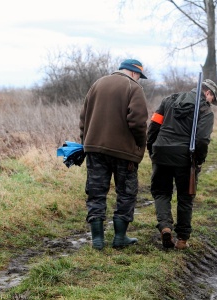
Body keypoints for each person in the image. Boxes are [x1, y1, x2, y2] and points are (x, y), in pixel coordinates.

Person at [79, 59, 148, 250]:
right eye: (139, 76)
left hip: (94, 149)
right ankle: (119, 237)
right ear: (135, 73)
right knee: (126, 193)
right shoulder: (134, 88)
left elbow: (83, 118)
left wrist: (86, 142)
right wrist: (140, 144)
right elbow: (138, 122)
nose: (139, 80)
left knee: (96, 193)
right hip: (124, 152)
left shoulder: (97, 84)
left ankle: (98, 240)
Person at [146, 79, 217, 250]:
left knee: (161, 192)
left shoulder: (169, 100)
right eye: (212, 99)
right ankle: (182, 240)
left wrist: (153, 149)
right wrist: (198, 160)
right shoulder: (205, 110)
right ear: (208, 93)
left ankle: (165, 227)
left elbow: (154, 126)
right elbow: (202, 140)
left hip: (161, 152)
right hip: (185, 158)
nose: (211, 103)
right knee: (185, 197)